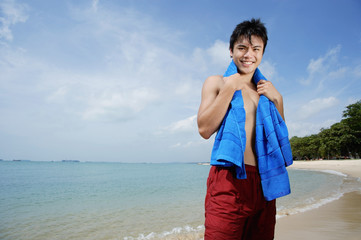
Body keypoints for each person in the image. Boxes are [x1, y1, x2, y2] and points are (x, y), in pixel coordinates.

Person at [197, 18, 287, 239]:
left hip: (264, 182)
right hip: (230, 179)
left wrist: (278, 99)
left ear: (262, 52)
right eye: (242, 48)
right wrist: (229, 89)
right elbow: (204, 129)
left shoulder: (265, 91)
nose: (249, 55)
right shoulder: (216, 82)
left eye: (256, 49)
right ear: (231, 51)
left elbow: (279, 137)